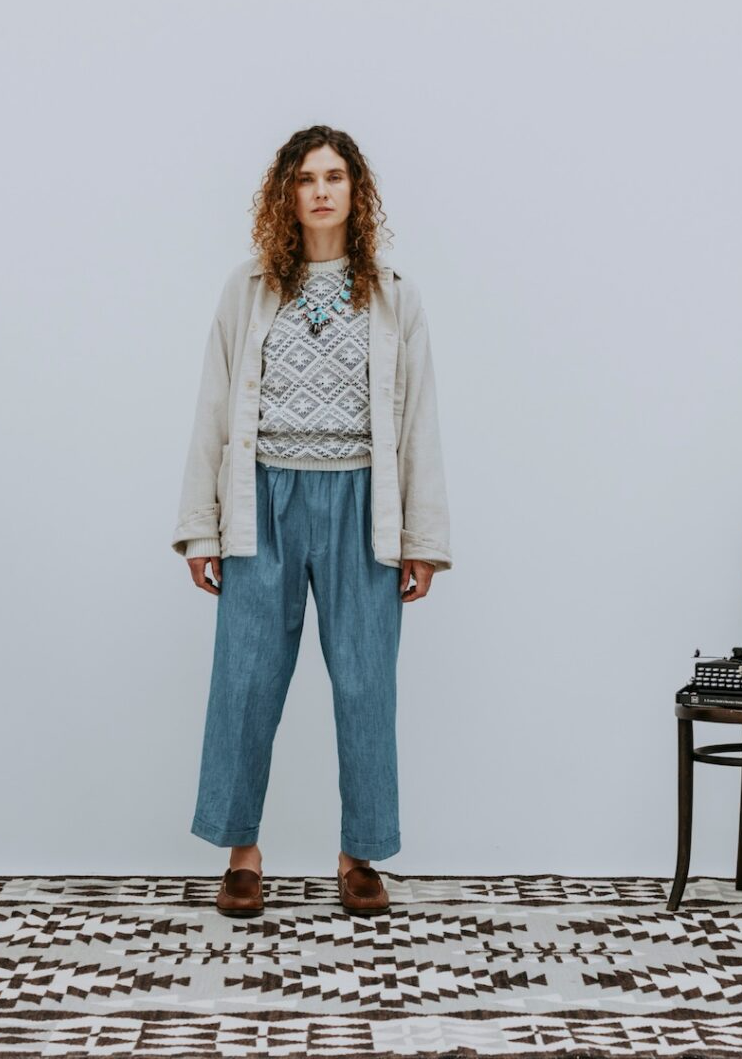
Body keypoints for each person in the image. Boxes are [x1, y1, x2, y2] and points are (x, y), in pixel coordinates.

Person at [171, 124, 452, 917]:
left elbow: (419, 422)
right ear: (286, 195)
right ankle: (242, 854)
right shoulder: (250, 288)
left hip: (363, 504)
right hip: (261, 500)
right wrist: (202, 527)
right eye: (305, 179)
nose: (321, 191)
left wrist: (422, 541)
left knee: (366, 684)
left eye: (334, 177)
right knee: (246, 677)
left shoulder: (395, 295)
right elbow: (214, 406)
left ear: (356, 192)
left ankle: (360, 855)